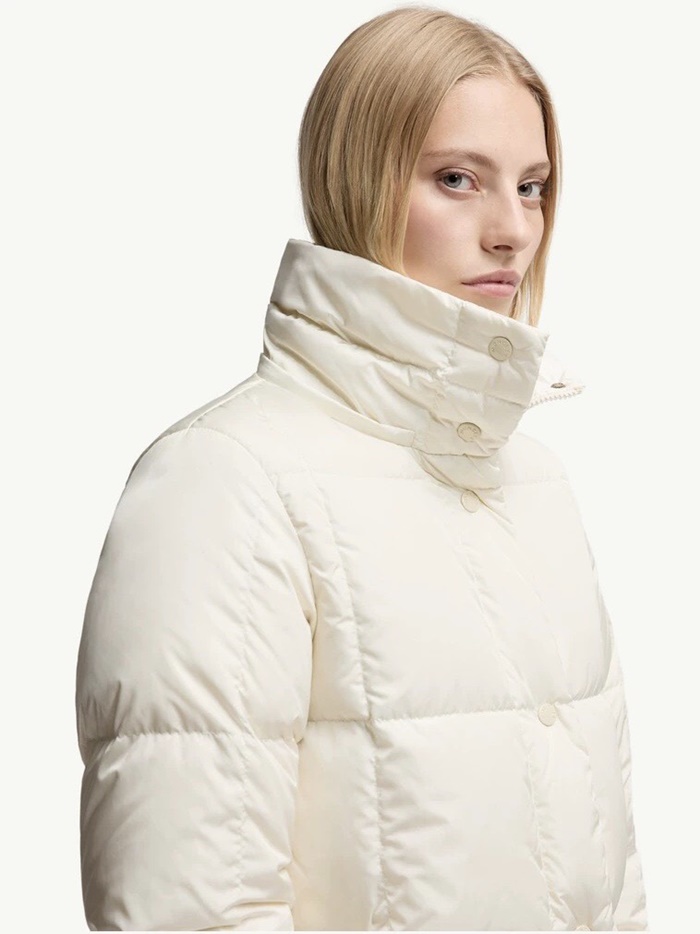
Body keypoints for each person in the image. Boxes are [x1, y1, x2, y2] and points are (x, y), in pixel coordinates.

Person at [74, 5, 650, 931]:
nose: (512, 229)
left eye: (533, 186)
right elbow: (193, 907)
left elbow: (608, 886)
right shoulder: (224, 482)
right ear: (357, 180)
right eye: (457, 179)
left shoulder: (535, 483)